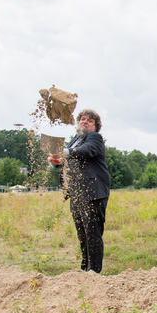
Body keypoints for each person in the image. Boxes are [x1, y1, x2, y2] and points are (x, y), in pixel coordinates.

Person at [51, 109, 111, 273]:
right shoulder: (74, 141)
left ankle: (94, 273)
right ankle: (85, 269)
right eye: (82, 119)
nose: (84, 122)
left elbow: (87, 151)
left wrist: (64, 152)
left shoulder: (94, 138)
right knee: (83, 234)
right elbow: (67, 161)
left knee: (92, 234)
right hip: (77, 194)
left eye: (89, 120)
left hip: (92, 193)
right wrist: (56, 162)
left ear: (95, 126)